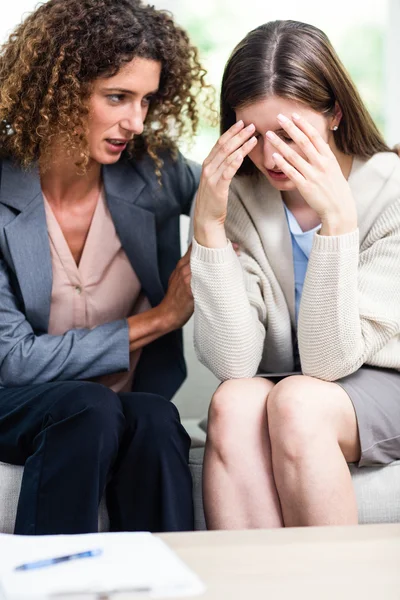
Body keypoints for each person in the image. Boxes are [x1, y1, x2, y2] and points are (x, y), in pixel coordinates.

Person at [0, 0, 211, 535]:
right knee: (88, 406)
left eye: (145, 100)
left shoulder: (153, 171)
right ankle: (49, 585)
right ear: (58, 88)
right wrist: (162, 318)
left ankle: (169, 584)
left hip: (117, 406)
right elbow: (14, 362)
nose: (136, 122)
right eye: (117, 97)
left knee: (156, 418)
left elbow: (238, 190)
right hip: (14, 403)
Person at [190, 20, 400, 529]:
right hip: (292, 384)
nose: (270, 157)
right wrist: (208, 227)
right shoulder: (242, 195)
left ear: (335, 115)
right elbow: (236, 363)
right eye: (252, 136)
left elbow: (329, 362)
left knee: (300, 402)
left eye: (289, 134)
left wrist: (338, 223)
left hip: (382, 382)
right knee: (235, 401)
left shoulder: (392, 191)